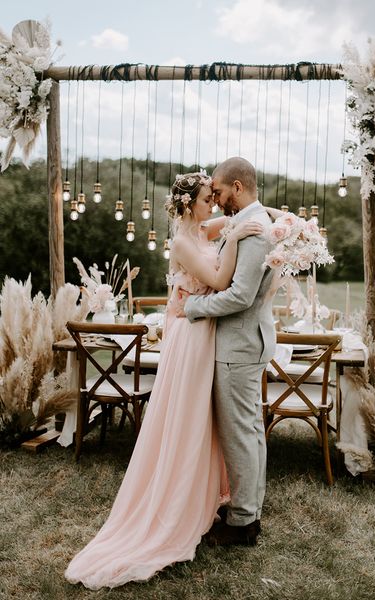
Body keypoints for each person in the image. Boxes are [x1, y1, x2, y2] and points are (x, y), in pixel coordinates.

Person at [64, 171, 263, 589]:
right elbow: (220, 281)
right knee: (189, 419)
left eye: (216, 196)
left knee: (207, 421)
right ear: (192, 204)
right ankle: (178, 503)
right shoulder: (182, 243)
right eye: (209, 198)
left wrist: (256, 220)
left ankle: (206, 498)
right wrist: (241, 230)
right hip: (191, 338)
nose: (216, 204)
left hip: (205, 333)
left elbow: (242, 219)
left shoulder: (204, 230)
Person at [181, 156, 277, 547]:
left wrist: (193, 308)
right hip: (247, 340)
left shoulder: (254, 231)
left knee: (240, 432)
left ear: (237, 187)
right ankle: (248, 509)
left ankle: (241, 522)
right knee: (250, 430)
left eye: (219, 191)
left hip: (239, 342)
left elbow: (239, 295)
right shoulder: (250, 221)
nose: (216, 199)